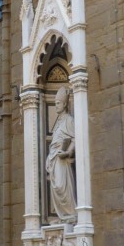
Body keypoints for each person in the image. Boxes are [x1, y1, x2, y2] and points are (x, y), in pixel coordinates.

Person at [46, 85, 76, 222]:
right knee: (56, 187)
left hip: (63, 160)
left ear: (64, 104)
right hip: (54, 159)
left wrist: (68, 152)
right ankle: (63, 216)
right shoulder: (58, 122)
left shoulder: (69, 120)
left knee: (61, 186)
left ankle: (71, 214)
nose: (56, 105)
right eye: (55, 103)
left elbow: (75, 138)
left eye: (58, 103)